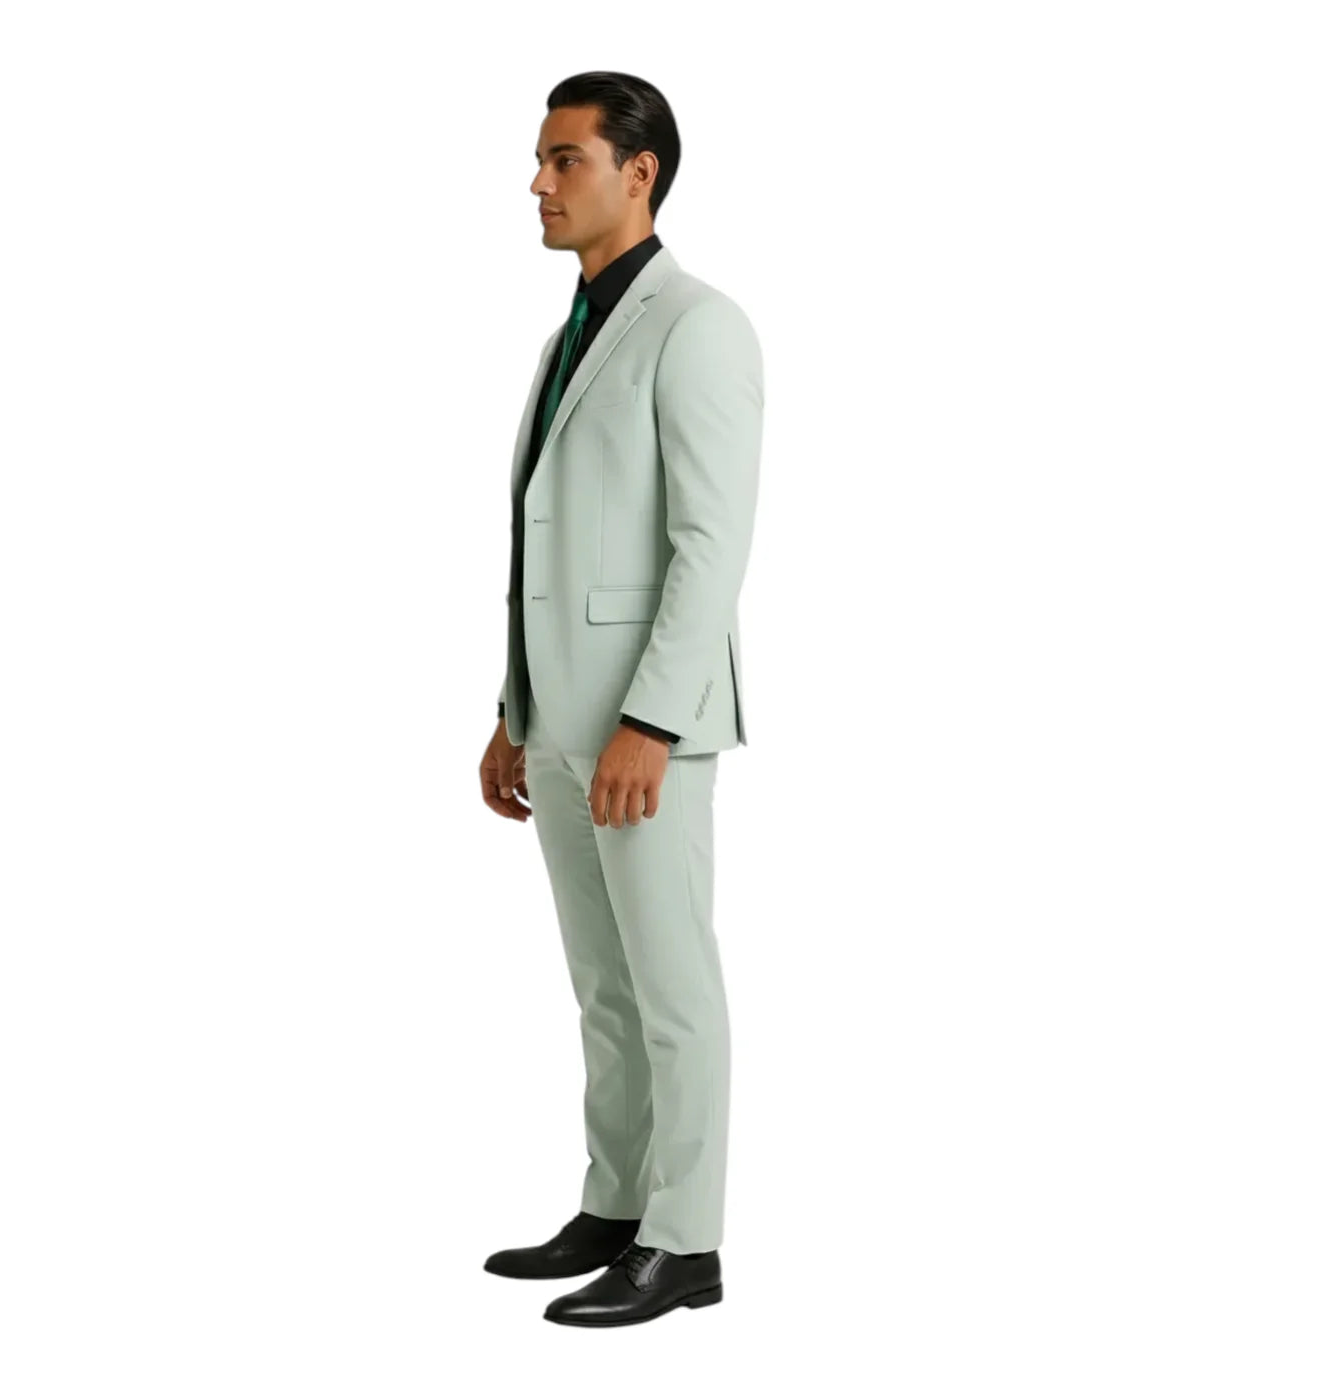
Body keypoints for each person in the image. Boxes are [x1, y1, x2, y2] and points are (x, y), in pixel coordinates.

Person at [477, 70, 763, 1328]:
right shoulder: (568, 336)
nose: (538, 183)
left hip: (644, 727)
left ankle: (684, 1240)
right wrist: (512, 709)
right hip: (557, 722)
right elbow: (547, 539)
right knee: (602, 985)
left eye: (564, 160)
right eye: (541, 160)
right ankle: (616, 1204)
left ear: (637, 173)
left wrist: (650, 719)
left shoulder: (697, 326)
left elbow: (709, 543)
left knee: (670, 987)